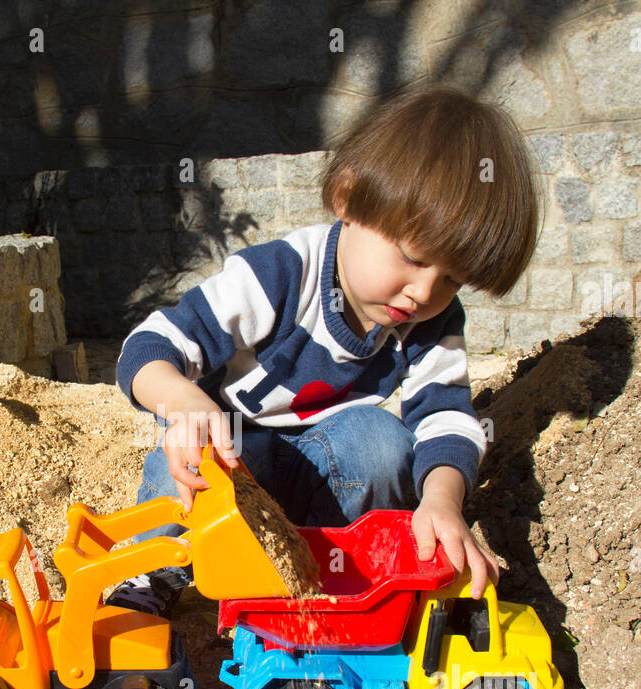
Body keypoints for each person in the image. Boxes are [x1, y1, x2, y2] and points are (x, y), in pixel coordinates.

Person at [107, 84, 541, 617]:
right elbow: (151, 344)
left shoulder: (431, 320)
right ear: (349, 198)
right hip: (234, 458)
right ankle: (155, 574)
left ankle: (323, 563)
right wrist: (182, 403)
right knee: (180, 468)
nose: (424, 292)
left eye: (452, 278)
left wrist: (442, 502)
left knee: (384, 442)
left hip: (324, 471)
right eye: (411, 257)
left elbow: (447, 419)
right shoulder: (282, 274)